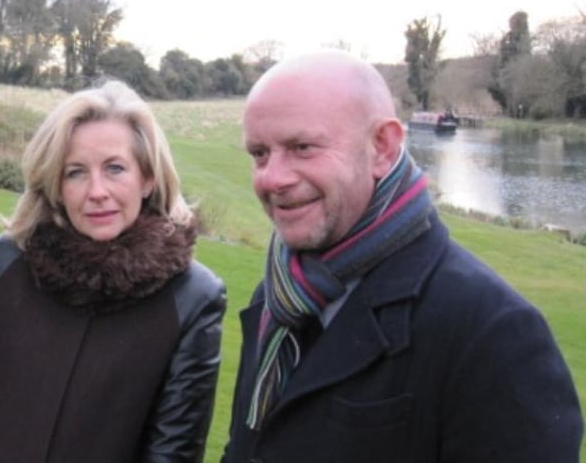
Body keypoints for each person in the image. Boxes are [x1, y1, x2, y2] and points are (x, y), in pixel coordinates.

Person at [223, 50, 583, 462]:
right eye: (259, 154)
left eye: (302, 147)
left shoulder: (493, 333)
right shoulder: (277, 299)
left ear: (382, 147)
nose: (272, 178)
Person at [0, 80, 227, 462]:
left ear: (148, 177)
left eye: (115, 168)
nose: (96, 190)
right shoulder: (8, 263)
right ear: (55, 183)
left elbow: (172, 453)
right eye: (76, 172)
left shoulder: (192, 297)